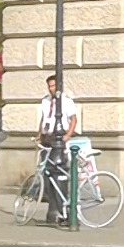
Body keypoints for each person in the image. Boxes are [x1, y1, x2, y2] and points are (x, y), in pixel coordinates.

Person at [35, 74, 79, 224]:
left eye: (53, 86)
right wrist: (39, 135)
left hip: (59, 139)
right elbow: (43, 119)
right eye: (49, 86)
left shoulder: (66, 101)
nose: (51, 89)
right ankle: (52, 210)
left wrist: (67, 136)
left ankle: (62, 210)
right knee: (47, 174)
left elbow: (73, 119)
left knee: (59, 174)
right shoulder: (45, 101)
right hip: (47, 138)